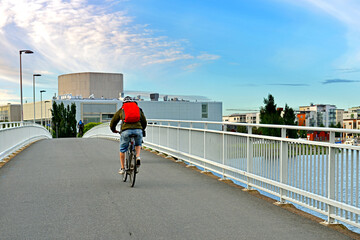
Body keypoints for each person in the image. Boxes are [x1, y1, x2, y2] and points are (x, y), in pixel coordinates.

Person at [110, 96, 147, 174]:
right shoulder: (138, 109)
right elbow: (144, 121)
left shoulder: (122, 109)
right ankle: (137, 156)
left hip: (126, 131)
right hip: (138, 130)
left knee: (123, 149)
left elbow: (113, 121)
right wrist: (142, 129)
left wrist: (113, 130)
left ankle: (123, 168)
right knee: (138, 144)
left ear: (123, 103)